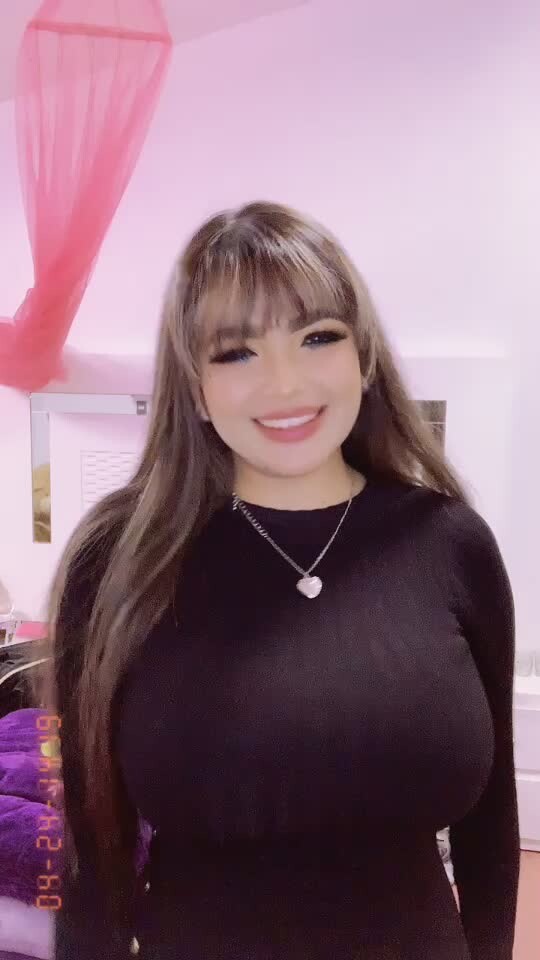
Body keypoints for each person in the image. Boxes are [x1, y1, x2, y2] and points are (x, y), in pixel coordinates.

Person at [45, 201, 519, 959]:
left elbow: (490, 825)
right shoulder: (118, 557)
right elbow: (92, 850)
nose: (285, 383)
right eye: (236, 353)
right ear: (193, 385)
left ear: (363, 356)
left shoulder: (449, 543)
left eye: (317, 336)